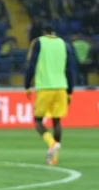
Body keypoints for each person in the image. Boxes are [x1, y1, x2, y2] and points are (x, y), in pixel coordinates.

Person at [25, 23, 75, 166]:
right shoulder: (65, 45)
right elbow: (69, 69)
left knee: (38, 121)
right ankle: (54, 157)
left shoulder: (39, 42)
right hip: (61, 87)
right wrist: (70, 91)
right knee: (57, 121)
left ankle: (51, 143)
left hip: (45, 87)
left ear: (43, 31)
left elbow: (32, 64)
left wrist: (27, 84)